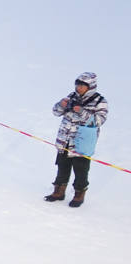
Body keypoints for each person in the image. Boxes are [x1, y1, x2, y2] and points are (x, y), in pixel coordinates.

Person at [45, 72, 108, 208]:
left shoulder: (99, 101)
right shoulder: (71, 96)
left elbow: (99, 120)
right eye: (77, 84)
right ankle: (58, 191)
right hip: (65, 140)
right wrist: (61, 105)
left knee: (81, 169)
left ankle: (79, 194)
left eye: (82, 85)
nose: (78, 87)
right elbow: (56, 112)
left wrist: (82, 112)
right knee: (62, 166)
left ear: (90, 86)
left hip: (82, 143)